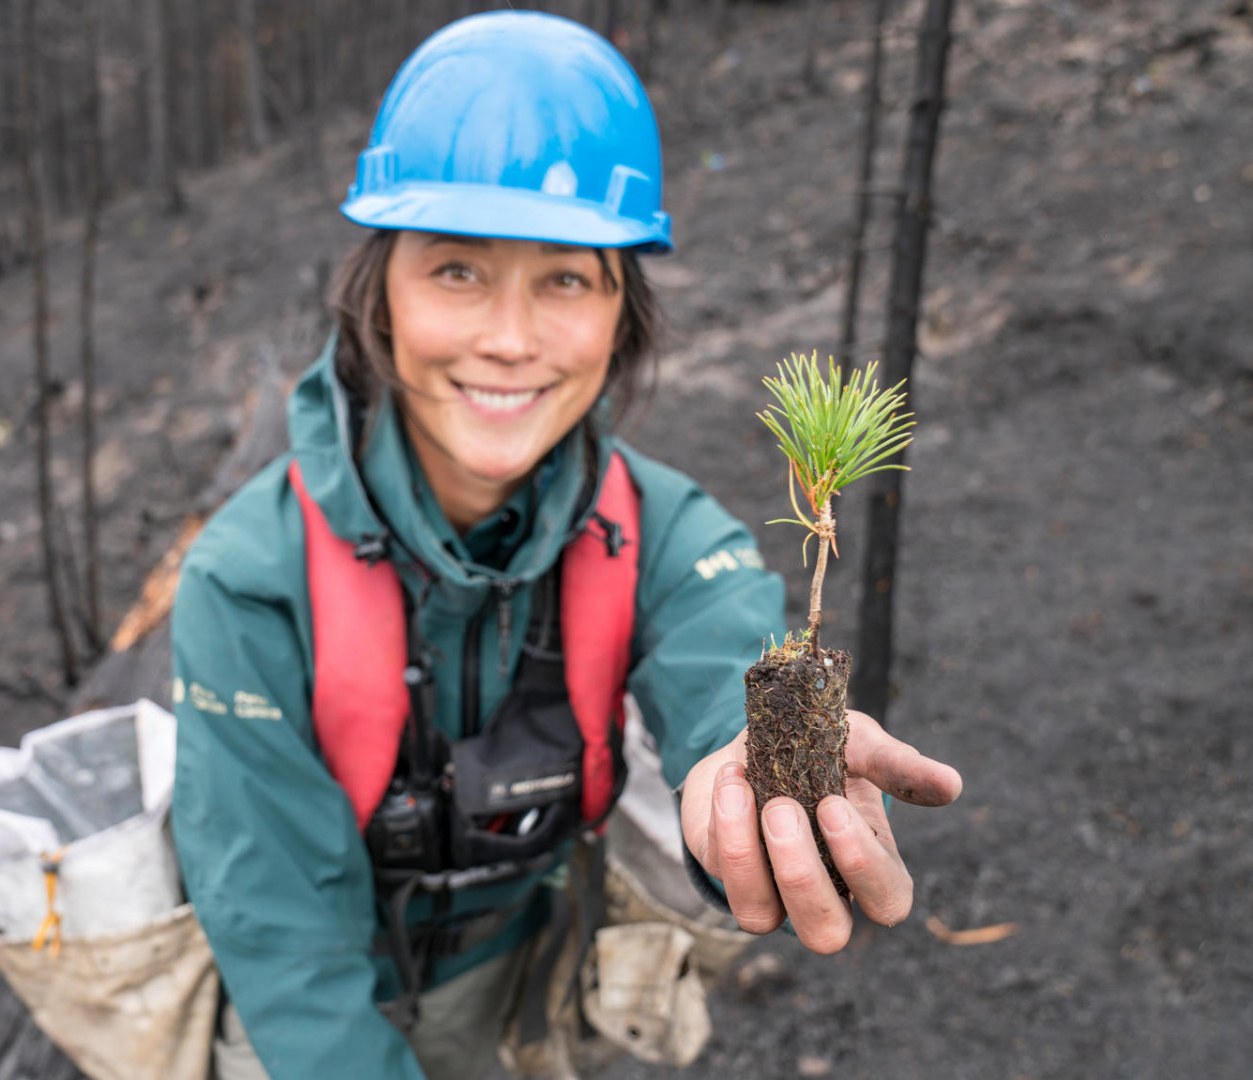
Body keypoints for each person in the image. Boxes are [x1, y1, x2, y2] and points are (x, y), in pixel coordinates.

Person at [169, 12, 962, 1080]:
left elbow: (717, 678)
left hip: (533, 985)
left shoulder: (666, 535)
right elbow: (281, 939)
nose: (509, 337)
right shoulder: (251, 578)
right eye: (455, 271)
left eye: (566, 279)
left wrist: (754, 786)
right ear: (379, 297)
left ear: (622, 313)